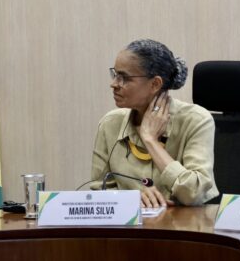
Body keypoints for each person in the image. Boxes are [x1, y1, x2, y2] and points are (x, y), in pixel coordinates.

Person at [90, 39, 219, 207]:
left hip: (184, 227)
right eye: (115, 75)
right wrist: (130, 201)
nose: (114, 84)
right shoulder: (110, 124)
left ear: (155, 84)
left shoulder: (196, 120)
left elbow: (194, 193)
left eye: (124, 78)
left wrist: (150, 139)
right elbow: (99, 194)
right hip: (129, 230)